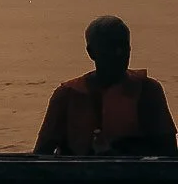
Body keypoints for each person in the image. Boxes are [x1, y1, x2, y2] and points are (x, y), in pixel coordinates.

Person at [34, 16, 176, 157]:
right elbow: (41, 154)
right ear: (91, 52)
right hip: (78, 175)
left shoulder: (147, 91)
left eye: (123, 46)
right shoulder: (67, 95)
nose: (119, 53)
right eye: (110, 47)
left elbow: (169, 154)